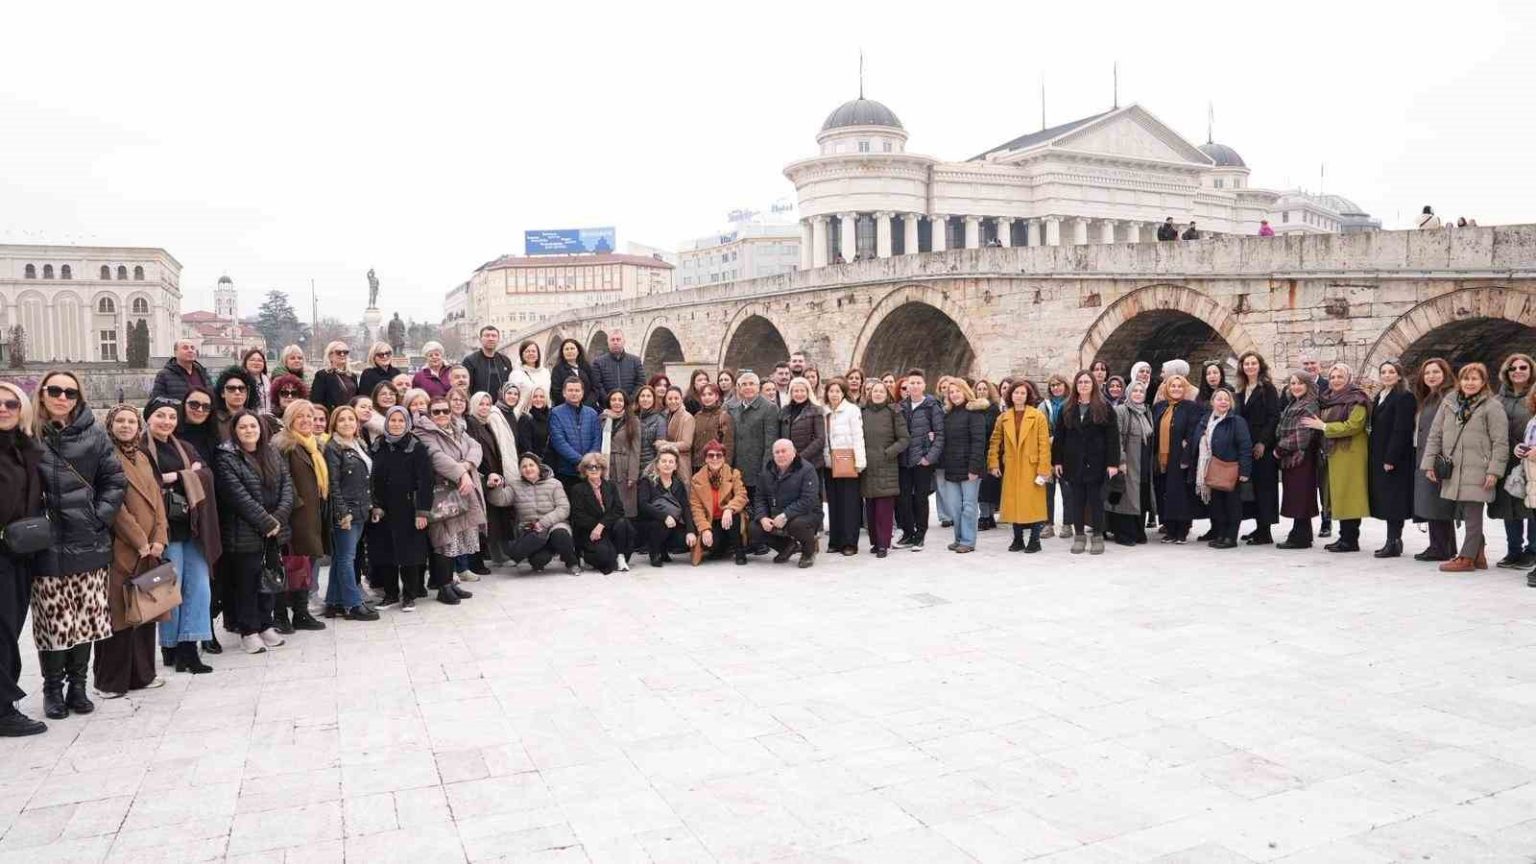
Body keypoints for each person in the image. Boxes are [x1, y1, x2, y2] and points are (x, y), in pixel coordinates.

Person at [30, 372, 126, 720]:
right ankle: (53, 689)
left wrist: (99, 517)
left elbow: (114, 480)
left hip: (88, 539)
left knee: (87, 618)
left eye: (69, 392)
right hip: (46, 543)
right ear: (42, 394)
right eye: (55, 390)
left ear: (78, 398)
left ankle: (78, 686)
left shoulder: (94, 434)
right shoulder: (28, 434)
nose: (62, 397)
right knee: (54, 620)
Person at [93, 405, 170, 697]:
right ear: (110, 425)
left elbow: (157, 499)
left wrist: (160, 537)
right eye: (120, 421)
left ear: (139, 427)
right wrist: (140, 541)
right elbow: (115, 507)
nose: (126, 426)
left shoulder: (143, 456)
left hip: (151, 548)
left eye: (131, 421)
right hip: (123, 548)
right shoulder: (103, 457)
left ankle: (143, 674)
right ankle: (111, 682)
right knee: (119, 616)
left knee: (146, 610)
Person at [143, 397, 221, 666]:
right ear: (148, 418)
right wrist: (188, 473)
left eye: (172, 417)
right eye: (160, 416)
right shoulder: (142, 449)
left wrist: (175, 476)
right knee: (169, 588)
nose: (166, 421)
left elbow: (206, 474)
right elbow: (149, 482)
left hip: (192, 526)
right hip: (163, 530)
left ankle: (190, 643)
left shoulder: (185, 447)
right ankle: (170, 645)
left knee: (199, 587)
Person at [215, 411, 292, 653]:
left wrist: (277, 519)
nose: (249, 430)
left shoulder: (272, 453)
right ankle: (249, 631)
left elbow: (288, 487)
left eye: (253, 426)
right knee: (246, 584)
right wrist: (266, 523)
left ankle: (266, 624)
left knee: (268, 579)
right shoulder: (226, 457)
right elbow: (237, 496)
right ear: (235, 431)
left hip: (273, 532)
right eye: (243, 427)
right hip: (244, 531)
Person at [1422, 363, 1506, 572]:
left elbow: (1500, 442)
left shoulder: (1492, 406)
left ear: (1483, 382)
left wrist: (1494, 471)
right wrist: (1429, 463)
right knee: (1464, 512)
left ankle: (1466, 558)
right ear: (1460, 381)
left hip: (1479, 468)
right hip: (1455, 467)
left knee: (1472, 512)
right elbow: (1435, 435)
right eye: (1466, 378)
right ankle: (1478, 552)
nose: (1470, 383)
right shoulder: (1449, 403)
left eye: (1475, 378)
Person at [0, 383, 45, 736]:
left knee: (9, 630)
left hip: (19, 553)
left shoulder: (26, 447)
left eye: (11, 403)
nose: (3, 408)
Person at [415, 395, 485, 603]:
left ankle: (449, 583)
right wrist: (462, 473)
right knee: (444, 540)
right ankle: (443, 587)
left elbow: (476, 447)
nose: (442, 414)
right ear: (429, 414)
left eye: (445, 410)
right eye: (436, 411)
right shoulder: (423, 432)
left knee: (456, 539)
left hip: (461, 493)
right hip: (442, 495)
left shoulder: (457, 428)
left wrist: (467, 465)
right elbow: (437, 457)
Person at [367, 406, 433, 611]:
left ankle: (410, 595)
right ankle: (391, 594)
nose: (396, 424)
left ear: (407, 423)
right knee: (386, 553)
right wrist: (375, 505)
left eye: (401, 420)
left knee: (409, 555)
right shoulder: (378, 445)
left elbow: (425, 481)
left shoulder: (416, 446)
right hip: (383, 510)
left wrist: (422, 511)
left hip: (408, 508)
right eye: (392, 420)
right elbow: (372, 479)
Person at [272, 400, 329, 633]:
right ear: (290, 420)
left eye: (310, 416)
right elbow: (282, 481)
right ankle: (281, 615)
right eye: (300, 416)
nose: (306, 421)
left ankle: (301, 612)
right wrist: (295, 505)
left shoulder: (314, 445)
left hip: (311, 516)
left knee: (304, 565)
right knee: (289, 566)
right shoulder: (284, 445)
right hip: (294, 516)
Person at [1301, 363, 1371, 553]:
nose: (1336, 380)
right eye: (1332, 377)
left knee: (1349, 495)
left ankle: (1350, 539)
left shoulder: (1357, 398)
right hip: (1332, 452)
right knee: (1337, 495)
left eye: (1340, 377)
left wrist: (1324, 427)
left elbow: (1354, 425)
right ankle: (1343, 536)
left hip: (1350, 453)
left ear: (1348, 378)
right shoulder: (1327, 398)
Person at [1052, 371, 1120, 554]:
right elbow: (1059, 437)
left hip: (1097, 462)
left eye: (1087, 382)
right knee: (1077, 501)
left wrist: (1113, 463)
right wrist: (1057, 461)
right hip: (1073, 462)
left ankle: (1097, 536)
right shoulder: (1067, 408)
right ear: (1076, 385)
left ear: (1093, 385)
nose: (1083, 385)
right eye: (1080, 382)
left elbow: (1113, 438)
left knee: (1096, 501)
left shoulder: (1104, 408)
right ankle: (1080, 536)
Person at [321, 406, 378, 621]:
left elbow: (367, 480)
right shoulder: (333, 448)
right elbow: (333, 484)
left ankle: (334, 602)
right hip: (346, 513)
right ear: (334, 424)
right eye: (341, 420)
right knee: (346, 558)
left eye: (351, 419)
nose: (347, 423)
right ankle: (352, 604)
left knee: (340, 557)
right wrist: (342, 512)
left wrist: (373, 505)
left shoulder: (359, 444)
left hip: (361, 509)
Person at [990, 378, 1051, 553]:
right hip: (1012, 465)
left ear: (1028, 395)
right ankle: (1018, 539)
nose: (1019, 395)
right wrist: (993, 463)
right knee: (1014, 503)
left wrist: (1044, 469)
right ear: (1010, 395)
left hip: (1032, 467)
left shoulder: (1037, 416)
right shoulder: (1004, 417)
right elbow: (995, 442)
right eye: (1016, 392)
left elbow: (1044, 444)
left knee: (1034, 505)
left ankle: (1035, 540)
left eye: (1023, 393)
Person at [1491, 354, 1536, 569]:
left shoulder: (1534, 396)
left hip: (1531, 461)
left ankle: (1532, 551)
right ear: (1506, 372)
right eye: (1513, 368)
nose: (1517, 371)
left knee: (1532, 504)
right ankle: (1513, 549)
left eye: (1523, 367)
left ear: (1531, 370)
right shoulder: (1497, 399)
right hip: (1506, 459)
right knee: (1509, 506)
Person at [1368, 360, 1416, 558]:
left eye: (1391, 372)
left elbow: (1401, 429)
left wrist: (1391, 457)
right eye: (1383, 372)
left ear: (1399, 375)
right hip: (1380, 454)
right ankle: (1393, 541)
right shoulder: (1381, 395)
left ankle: (1394, 541)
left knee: (1394, 501)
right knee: (1387, 499)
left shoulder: (1404, 397)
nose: (1387, 375)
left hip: (1395, 457)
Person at [1412, 358, 1459, 562]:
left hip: (1437, 457)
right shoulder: (1430, 397)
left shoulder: (1448, 397)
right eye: (1427, 373)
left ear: (1445, 374)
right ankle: (1443, 546)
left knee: (1437, 502)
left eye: (1436, 372)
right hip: (1425, 455)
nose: (1431, 376)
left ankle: (1440, 547)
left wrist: (1437, 456)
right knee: (1432, 501)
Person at [748, 439, 822, 568]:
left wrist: (786, 515)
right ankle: (787, 546)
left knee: (797, 525)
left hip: (807, 514)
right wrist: (762, 517)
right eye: (777, 452)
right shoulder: (767, 471)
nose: (780, 455)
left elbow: (808, 500)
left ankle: (808, 552)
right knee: (754, 528)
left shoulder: (807, 469)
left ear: (794, 452)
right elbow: (760, 498)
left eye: (784, 451)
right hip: (777, 514)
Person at [1195, 388, 1253, 549]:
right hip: (1211, 468)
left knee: (1232, 505)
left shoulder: (1237, 421)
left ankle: (1231, 537)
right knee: (1217, 505)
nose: (1223, 402)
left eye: (1226, 399)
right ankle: (1221, 534)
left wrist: (1245, 471)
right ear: (1212, 402)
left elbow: (1245, 447)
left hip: (1231, 468)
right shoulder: (1206, 420)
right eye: (1219, 399)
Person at [1151, 374, 1204, 544]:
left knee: (1180, 494)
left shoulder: (1191, 407)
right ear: (1167, 388)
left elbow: (1193, 432)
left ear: (1185, 388)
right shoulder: (1159, 407)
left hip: (1179, 457)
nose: (1176, 389)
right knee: (1164, 493)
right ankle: (1169, 529)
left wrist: (1186, 454)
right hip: (1161, 458)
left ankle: (1182, 530)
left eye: (1179, 386)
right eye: (1172, 386)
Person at [1234, 351, 1280, 545]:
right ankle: (1259, 526)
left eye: (1253, 363)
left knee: (1265, 488)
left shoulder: (1267, 388)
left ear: (1260, 366)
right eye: (1246, 363)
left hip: (1263, 446)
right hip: (1246, 445)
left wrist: (1263, 442)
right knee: (1251, 488)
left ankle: (1265, 531)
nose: (1250, 366)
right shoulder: (1241, 389)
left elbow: (1274, 417)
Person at [895, 369, 944, 551]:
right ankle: (908, 533)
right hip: (904, 461)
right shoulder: (900, 407)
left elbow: (939, 435)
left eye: (918, 383)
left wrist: (929, 458)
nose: (914, 386)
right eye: (912, 383)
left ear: (924, 385)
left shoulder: (932, 406)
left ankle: (920, 535)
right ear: (907, 386)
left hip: (922, 461)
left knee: (921, 499)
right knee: (904, 499)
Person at [467, 391, 518, 566]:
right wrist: (487, 473)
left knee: (498, 516)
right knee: (490, 518)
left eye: (488, 404)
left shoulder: (486, 423)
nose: (485, 407)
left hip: (494, 474)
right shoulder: (472, 423)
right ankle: (493, 557)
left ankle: (501, 554)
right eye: (481, 404)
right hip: (483, 476)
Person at [936, 379, 986, 554]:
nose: (954, 394)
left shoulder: (974, 413)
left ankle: (968, 541)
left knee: (969, 507)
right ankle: (958, 538)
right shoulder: (948, 415)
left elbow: (979, 442)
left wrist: (974, 468)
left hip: (969, 468)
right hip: (952, 467)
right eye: (951, 392)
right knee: (954, 506)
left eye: (957, 391)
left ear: (965, 391)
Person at [860, 380, 909, 558]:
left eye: (881, 391)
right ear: (869, 394)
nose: (878, 394)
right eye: (875, 391)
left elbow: (904, 439)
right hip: (867, 465)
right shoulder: (862, 412)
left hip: (886, 464)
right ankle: (875, 542)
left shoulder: (893, 411)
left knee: (884, 508)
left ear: (887, 394)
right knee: (871, 508)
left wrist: (888, 453)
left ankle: (883, 544)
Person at [507, 453, 579, 574]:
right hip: (533, 531)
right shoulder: (515, 485)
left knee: (560, 535)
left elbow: (564, 508)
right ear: (520, 470)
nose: (528, 469)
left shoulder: (554, 483)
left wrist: (543, 523)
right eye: (524, 466)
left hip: (555, 524)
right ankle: (548, 550)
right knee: (538, 561)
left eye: (531, 465)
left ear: (539, 466)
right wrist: (495, 487)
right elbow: (501, 500)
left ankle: (572, 563)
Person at [1275, 372, 1323, 549]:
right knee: (1297, 496)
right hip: (1293, 458)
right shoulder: (1294, 402)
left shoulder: (1309, 404)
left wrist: (1279, 449)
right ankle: (1302, 533)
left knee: (1301, 497)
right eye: (1293, 383)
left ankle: (1300, 536)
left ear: (1308, 385)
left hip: (1301, 458)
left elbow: (1302, 436)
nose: (1295, 386)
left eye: (1300, 383)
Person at [568, 452, 634, 573]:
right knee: (605, 560)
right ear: (584, 470)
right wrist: (597, 527)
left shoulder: (610, 486)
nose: (594, 470)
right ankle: (585, 555)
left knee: (623, 523)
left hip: (608, 528)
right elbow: (579, 516)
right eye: (590, 467)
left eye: (597, 467)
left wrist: (601, 525)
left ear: (602, 469)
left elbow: (618, 510)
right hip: (590, 531)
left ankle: (620, 556)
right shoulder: (578, 489)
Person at [1108, 381, 1155, 545]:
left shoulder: (1146, 412)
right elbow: (1116, 438)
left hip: (1143, 461)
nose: (1138, 394)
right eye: (1135, 390)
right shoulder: (1121, 411)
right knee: (1126, 497)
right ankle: (1124, 534)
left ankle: (1138, 531)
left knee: (1140, 496)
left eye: (1141, 391)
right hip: (1129, 461)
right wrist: (1121, 460)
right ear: (1128, 393)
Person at [823, 378, 866, 555]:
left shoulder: (852, 410)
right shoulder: (824, 411)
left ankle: (850, 543)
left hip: (848, 461)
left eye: (838, 391)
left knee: (849, 503)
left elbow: (858, 436)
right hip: (830, 462)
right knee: (834, 503)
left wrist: (859, 462)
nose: (834, 394)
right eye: (831, 391)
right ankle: (835, 540)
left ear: (843, 393)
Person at [637, 444, 696, 567]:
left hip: (672, 524)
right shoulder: (647, 481)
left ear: (675, 466)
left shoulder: (678, 484)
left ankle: (664, 549)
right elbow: (643, 505)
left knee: (685, 538)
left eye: (671, 462)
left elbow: (685, 508)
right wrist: (664, 516)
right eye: (663, 461)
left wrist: (691, 531)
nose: (667, 464)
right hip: (650, 524)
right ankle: (655, 552)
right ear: (657, 464)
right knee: (658, 525)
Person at [689, 440, 749, 565]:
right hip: (712, 521)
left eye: (719, 455)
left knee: (734, 517)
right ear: (706, 459)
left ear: (723, 458)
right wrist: (704, 529)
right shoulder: (696, 479)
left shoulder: (733, 473)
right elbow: (696, 508)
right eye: (711, 455)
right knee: (710, 543)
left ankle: (739, 551)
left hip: (730, 518)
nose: (715, 458)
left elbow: (741, 495)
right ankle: (722, 548)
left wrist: (729, 508)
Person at [548, 376, 602, 488]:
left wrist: (589, 461)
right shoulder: (556, 413)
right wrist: (581, 461)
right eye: (570, 390)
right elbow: (559, 442)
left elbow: (597, 439)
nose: (574, 393)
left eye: (577, 390)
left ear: (582, 393)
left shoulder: (592, 413)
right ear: (564, 393)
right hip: (566, 471)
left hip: (589, 471)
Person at [600, 389, 642, 518]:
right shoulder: (602, 419)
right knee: (609, 504)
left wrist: (633, 475)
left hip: (624, 467)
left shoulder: (633, 421)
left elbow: (636, 449)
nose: (617, 403)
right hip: (606, 465)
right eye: (613, 400)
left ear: (625, 402)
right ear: (609, 402)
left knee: (626, 507)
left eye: (620, 400)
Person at [1041, 374, 1068, 538]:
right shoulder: (1044, 406)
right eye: (1053, 385)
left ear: (1065, 386)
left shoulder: (1072, 404)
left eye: (1059, 384)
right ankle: (1048, 524)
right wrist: (1048, 439)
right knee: (1047, 491)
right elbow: (1038, 428)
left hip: (1067, 453)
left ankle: (1068, 524)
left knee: (1067, 491)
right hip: (1048, 452)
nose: (1056, 388)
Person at [972, 380, 1002, 530]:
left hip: (991, 451)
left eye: (985, 389)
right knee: (982, 486)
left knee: (990, 485)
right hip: (977, 451)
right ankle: (985, 516)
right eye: (979, 389)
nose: (982, 391)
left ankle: (988, 516)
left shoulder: (994, 409)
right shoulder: (972, 408)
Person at [463, 325, 514, 398]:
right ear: (480, 339)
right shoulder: (470, 361)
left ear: (498, 339)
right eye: (487, 336)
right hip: (478, 403)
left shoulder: (505, 361)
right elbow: (466, 388)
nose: (491, 338)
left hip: (501, 404)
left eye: (494, 336)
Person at [550, 338, 601, 411]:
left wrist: (585, 405)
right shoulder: (557, 370)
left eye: (572, 348)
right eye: (566, 349)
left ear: (578, 351)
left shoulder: (586, 366)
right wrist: (574, 404)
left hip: (588, 408)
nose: (569, 351)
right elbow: (556, 392)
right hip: (566, 409)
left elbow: (595, 388)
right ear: (562, 352)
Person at [592, 330, 645, 398]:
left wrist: (630, 400)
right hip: (607, 403)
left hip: (631, 403)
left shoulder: (635, 361)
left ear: (624, 342)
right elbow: (597, 385)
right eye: (612, 340)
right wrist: (609, 401)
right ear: (608, 342)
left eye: (618, 339)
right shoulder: (598, 362)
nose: (615, 342)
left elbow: (641, 383)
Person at [213, 365, 259, 442]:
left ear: (247, 392)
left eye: (242, 388)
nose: (237, 392)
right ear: (222, 393)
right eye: (231, 388)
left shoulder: (256, 419)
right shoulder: (213, 421)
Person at [310, 341, 358, 413]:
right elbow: (316, 401)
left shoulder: (352, 375)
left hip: (350, 414)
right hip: (332, 415)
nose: (342, 354)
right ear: (330, 356)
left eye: (345, 352)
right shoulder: (322, 375)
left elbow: (357, 398)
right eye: (338, 352)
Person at [178, 386, 220, 467]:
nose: (200, 410)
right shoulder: (170, 432)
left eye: (206, 407)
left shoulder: (213, 435)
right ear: (184, 404)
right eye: (194, 404)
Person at [508, 340, 552, 414]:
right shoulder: (516, 374)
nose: (531, 353)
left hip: (544, 414)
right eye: (527, 351)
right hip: (524, 414)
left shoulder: (546, 372)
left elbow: (548, 396)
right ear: (522, 355)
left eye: (533, 351)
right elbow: (512, 398)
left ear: (538, 354)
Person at [663, 387, 697, 478]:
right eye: (670, 399)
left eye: (676, 398)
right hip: (668, 461)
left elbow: (686, 444)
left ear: (681, 399)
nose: (673, 401)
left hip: (682, 462)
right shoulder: (666, 416)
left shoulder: (687, 418)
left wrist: (665, 444)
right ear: (665, 400)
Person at [633, 385, 668, 469]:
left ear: (653, 399)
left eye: (648, 396)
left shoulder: (660, 419)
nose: (645, 399)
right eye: (642, 396)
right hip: (633, 463)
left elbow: (660, 446)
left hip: (650, 464)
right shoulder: (631, 417)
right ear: (638, 399)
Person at [517, 387, 552, 464]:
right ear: (530, 399)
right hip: (533, 463)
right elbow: (525, 447)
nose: (538, 399)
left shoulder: (550, 416)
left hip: (550, 462)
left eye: (541, 397)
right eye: (535, 396)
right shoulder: (525, 418)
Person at [243, 348, 273, 416]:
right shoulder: (241, 380)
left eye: (260, 360)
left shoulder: (267, 381)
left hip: (266, 417)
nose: (256, 363)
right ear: (245, 362)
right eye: (252, 360)